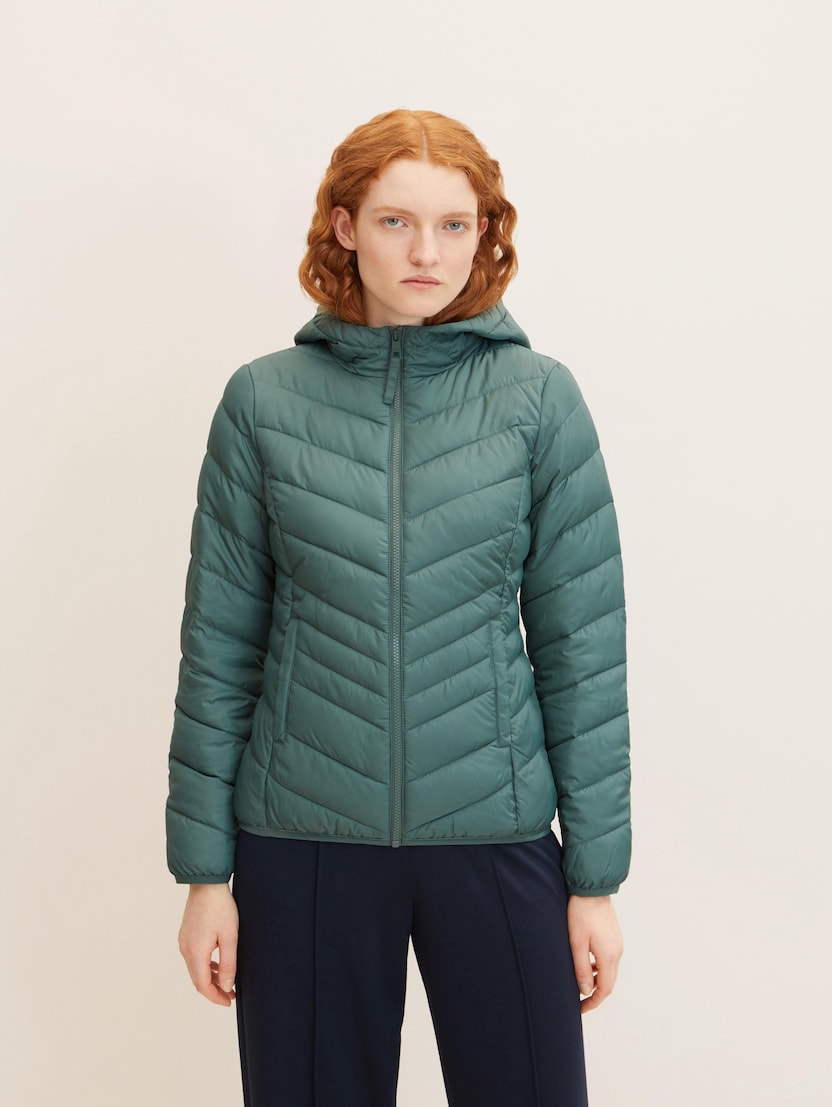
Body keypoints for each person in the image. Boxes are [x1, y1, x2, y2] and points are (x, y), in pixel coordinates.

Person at [166, 108, 632, 1107]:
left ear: (484, 232)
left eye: (454, 225)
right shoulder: (263, 402)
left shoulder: (537, 401)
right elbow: (219, 651)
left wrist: (594, 882)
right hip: (303, 846)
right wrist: (205, 876)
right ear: (343, 226)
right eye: (395, 222)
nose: (427, 252)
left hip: (496, 836)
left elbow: (582, 653)